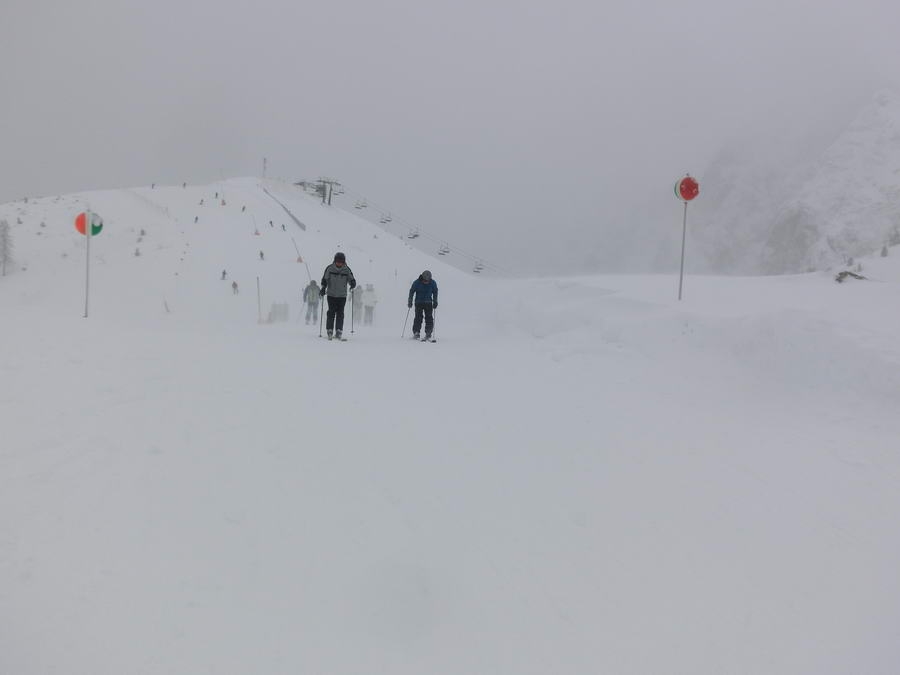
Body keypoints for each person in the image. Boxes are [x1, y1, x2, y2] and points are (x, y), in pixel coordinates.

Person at [320, 252, 356, 340]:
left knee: (340, 313)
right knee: (331, 312)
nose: (339, 263)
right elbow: (325, 279)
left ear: (344, 262)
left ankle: (339, 330)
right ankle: (329, 329)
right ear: (335, 261)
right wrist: (323, 287)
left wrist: (352, 283)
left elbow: (351, 279)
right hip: (331, 294)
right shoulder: (330, 268)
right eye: (337, 261)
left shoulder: (347, 270)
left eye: (341, 262)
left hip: (342, 296)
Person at [408, 270, 438, 340]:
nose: (426, 282)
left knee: (429, 317)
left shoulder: (432, 283)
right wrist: (410, 300)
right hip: (419, 302)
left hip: (428, 303)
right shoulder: (417, 282)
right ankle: (416, 332)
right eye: (425, 281)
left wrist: (435, 301)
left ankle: (428, 332)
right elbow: (412, 291)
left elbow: (435, 291)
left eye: (428, 281)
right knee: (418, 317)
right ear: (422, 278)